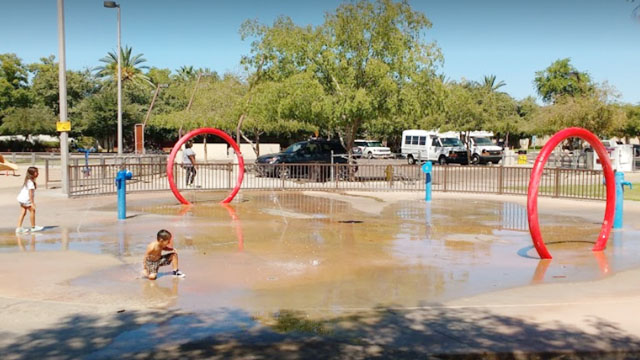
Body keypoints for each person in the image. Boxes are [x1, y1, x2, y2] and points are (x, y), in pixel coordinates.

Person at [16, 167, 44, 233]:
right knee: (32, 210)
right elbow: (30, 194)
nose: (38, 173)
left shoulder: (28, 180)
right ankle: (33, 227)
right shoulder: (30, 182)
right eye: (36, 172)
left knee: (23, 212)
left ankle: (19, 228)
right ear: (32, 174)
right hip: (26, 199)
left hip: (21, 198)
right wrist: (32, 203)